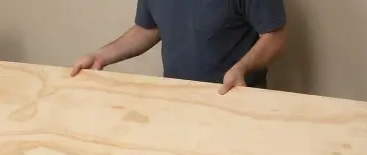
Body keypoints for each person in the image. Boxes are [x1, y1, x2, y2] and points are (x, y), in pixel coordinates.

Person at [71, 0, 288, 94]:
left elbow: (275, 36)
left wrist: (242, 68)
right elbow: (148, 28)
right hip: (178, 99)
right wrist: (100, 56)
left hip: (235, 101)